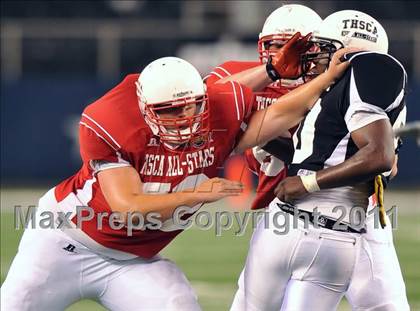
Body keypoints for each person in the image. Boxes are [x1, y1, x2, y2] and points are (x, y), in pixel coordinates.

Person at [0, 38, 350, 309]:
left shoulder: (216, 110)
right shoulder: (113, 121)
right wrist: (198, 194)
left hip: (134, 263)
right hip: (65, 244)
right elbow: (128, 206)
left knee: (177, 305)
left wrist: (323, 80)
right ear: (145, 109)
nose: (183, 118)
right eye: (169, 111)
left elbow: (274, 115)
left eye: (192, 106)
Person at [239, 10, 410, 311]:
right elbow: (317, 156)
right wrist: (261, 136)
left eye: (325, 48)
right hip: (326, 228)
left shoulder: (371, 67)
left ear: (350, 51)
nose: (315, 56)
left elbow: (381, 158)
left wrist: (306, 183)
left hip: (338, 222)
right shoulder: (332, 90)